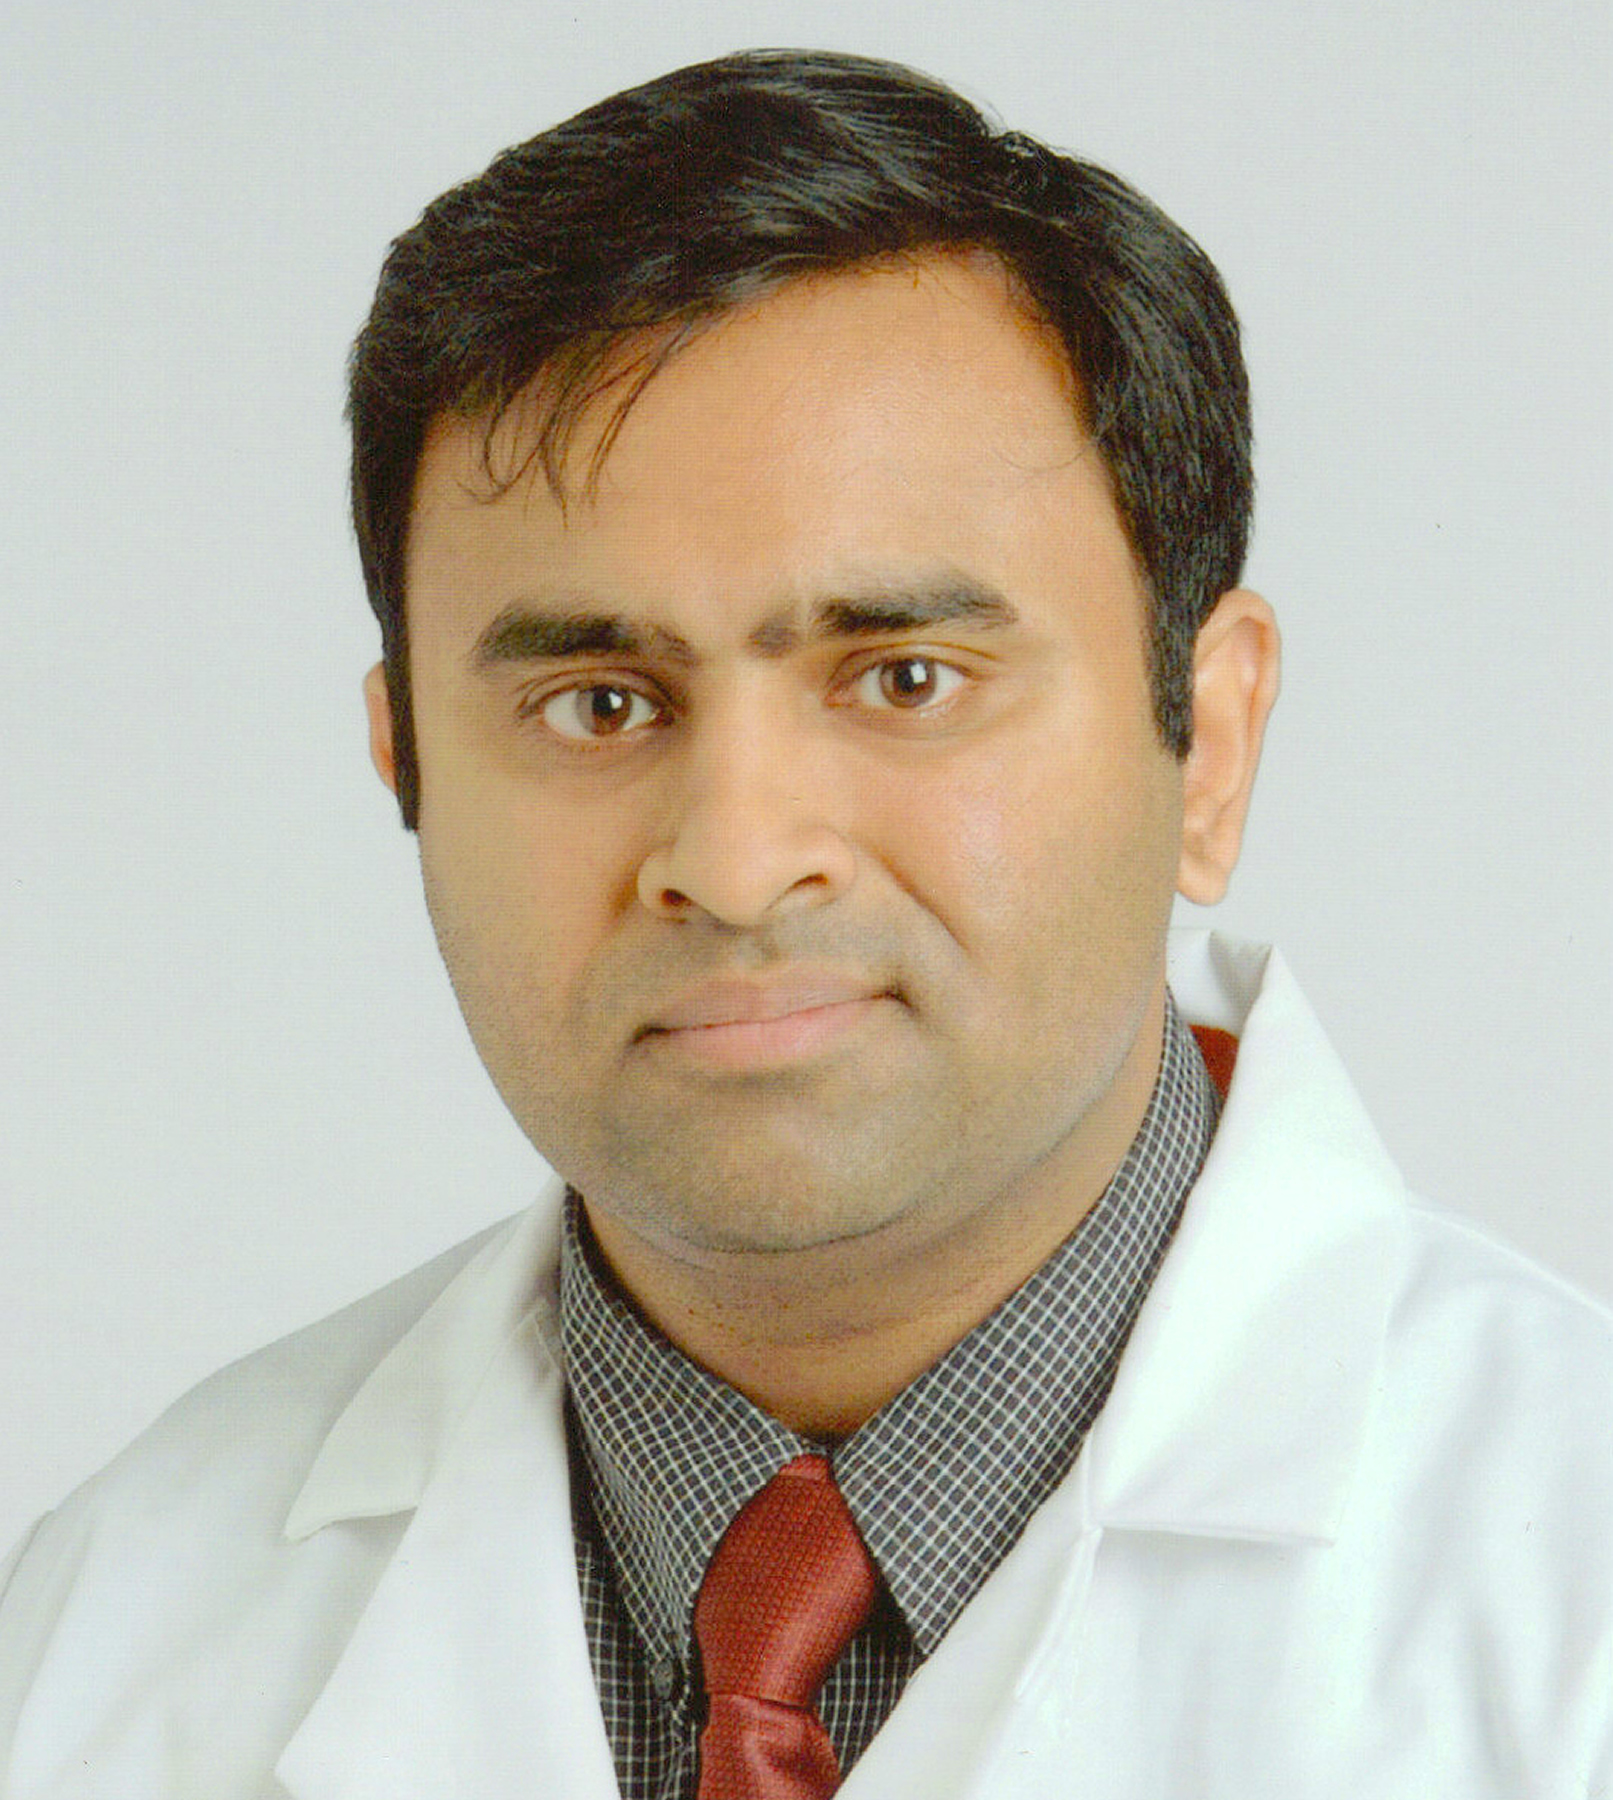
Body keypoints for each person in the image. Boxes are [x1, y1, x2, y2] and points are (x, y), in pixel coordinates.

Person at [0, 47, 1607, 1800]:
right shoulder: (106, 1636)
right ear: (407, 767)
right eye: (597, 704)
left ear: (1208, 741)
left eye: (904, 677)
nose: (738, 862)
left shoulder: (1561, 1602)